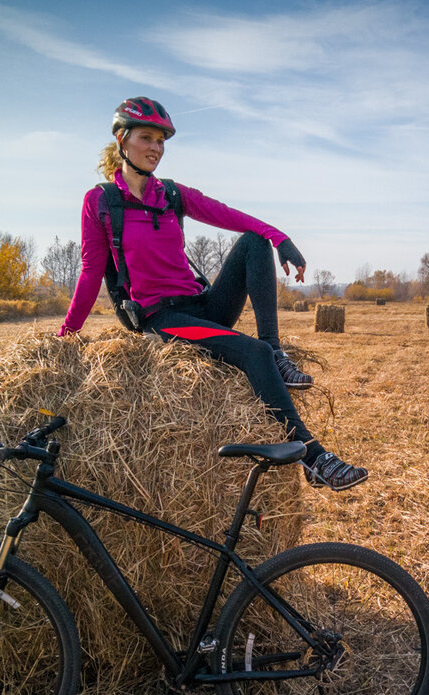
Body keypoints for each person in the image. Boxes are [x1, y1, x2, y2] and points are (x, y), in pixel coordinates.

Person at [57, 97, 367, 491]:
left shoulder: (170, 195)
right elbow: (89, 272)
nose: (156, 148)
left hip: (202, 306)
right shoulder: (100, 202)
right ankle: (313, 456)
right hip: (161, 318)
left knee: (254, 242)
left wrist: (279, 237)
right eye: (146, 138)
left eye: (162, 141)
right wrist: (65, 337)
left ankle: (275, 349)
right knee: (249, 353)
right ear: (122, 139)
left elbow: (227, 214)